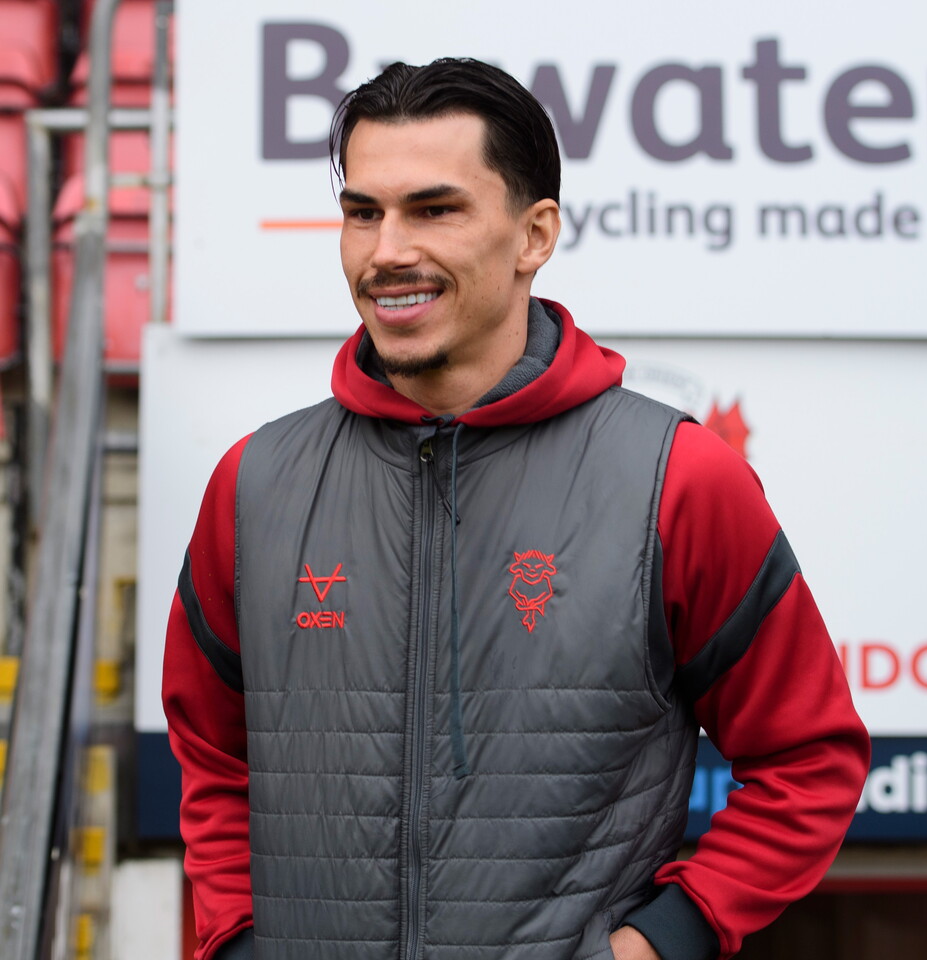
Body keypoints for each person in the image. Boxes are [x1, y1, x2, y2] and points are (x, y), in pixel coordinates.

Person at [162, 58, 870, 960]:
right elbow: (211, 753)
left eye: (435, 209)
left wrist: (663, 942)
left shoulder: (677, 477)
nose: (387, 252)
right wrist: (236, 937)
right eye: (363, 213)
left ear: (535, 235)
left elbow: (809, 759)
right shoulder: (254, 482)